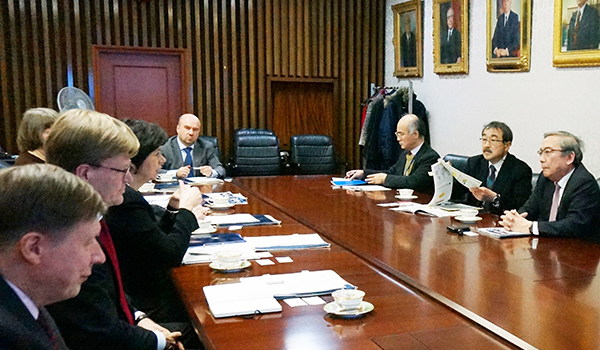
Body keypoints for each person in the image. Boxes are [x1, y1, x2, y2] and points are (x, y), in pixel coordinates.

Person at [44, 109, 185, 350]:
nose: (128, 180)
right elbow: (98, 333)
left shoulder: (90, 217)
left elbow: (110, 296)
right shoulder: (65, 237)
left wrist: (140, 317)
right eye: (122, 171)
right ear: (85, 173)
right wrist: (161, 342)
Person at [105, 119, 206, 346]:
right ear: (134, 162)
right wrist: (186, 213)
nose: (163, 160)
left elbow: (152, 240)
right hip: (147, 297)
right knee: (203, 313)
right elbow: (169, 253)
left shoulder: (131, 197)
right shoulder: (126, 200)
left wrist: (171, 210)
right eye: (157, 154)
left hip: (140, 290)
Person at [0, 164, 106, 350]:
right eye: (88, 242)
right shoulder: (8, 337)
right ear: (34, 248)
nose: (99, 257)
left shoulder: (28, 304)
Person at [500, 131, 600, 241]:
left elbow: (573, 225)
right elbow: (530, 208)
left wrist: (531, 227)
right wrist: (514, 219)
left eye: (548, 152)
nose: (541, 159)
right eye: (541, 152)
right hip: (547, 246)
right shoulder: (545, 179)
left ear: (569, 157)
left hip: (577, 250)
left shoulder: (584, 183)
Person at [346, 114, 439, 192]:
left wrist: (384, 179)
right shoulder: (405, 154)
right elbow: (392, 172)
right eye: (397, 134)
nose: (398, 139)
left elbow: (414, 182)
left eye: (401, 134)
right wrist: (364, 173)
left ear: (415, 134)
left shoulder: (430, 157)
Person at [454, 122, 532, 214]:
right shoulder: (474, 163)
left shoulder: (520, 170)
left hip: (500, 223)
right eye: (484, 139)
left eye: (493, 140)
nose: (486, 145)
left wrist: (494, 198)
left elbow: (519, 205)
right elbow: (457, 192)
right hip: (472, 220)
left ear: (507, 145)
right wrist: (445, 178)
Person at [161, 113, 225, 179]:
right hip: (173, 187)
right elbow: (156, 171)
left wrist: (212, 172)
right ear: (178, 129)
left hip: (199, 187)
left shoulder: (206, 147)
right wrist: (175, 173)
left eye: (195, 129)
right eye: (187, 128)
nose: (191, 133)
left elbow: (220, 170)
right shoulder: (165, 147)